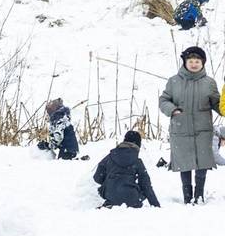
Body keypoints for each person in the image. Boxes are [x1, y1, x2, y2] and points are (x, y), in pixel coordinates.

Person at [160, 46, 220, 204]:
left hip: (203, 130)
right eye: (190, 61)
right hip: (181, 129)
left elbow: (218, 104)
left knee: (202, 161)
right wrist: (172, 110)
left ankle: (199, 195)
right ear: (185, 62)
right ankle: (187, 196)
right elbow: (163, 100)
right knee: (185, 163)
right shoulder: (174, 81)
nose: (194, 64)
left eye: (197, 61)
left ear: (203, 63)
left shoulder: (209, 82)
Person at [94, 130, 161, 207]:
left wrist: (112, 182)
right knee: (142, 185)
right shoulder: (137, 161)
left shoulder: (110, 157)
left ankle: (113, 202)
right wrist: (156, 205)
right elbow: (146, 185)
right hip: (133, 199)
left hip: (111, 196)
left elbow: (97, 178)